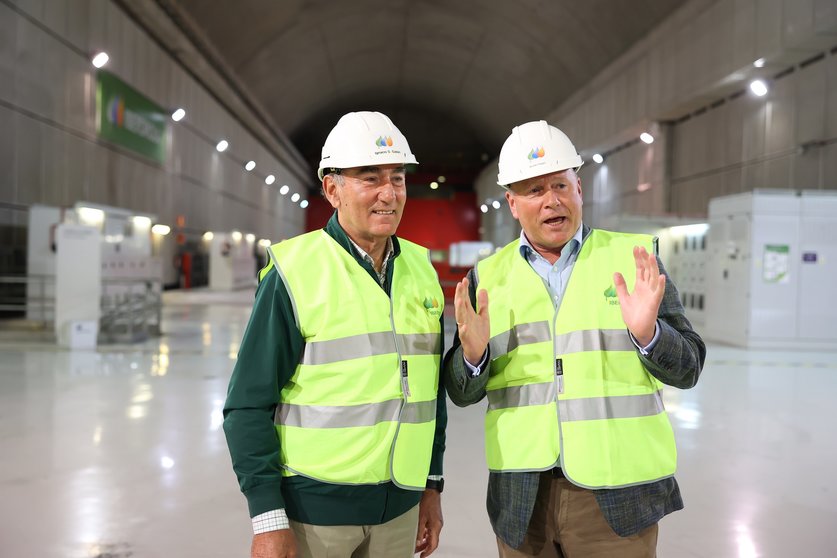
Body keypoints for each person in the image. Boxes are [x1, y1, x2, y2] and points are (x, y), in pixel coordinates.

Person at [444, 120, 705, 557]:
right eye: (533, 191)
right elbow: (460, 391)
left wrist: (649, 335)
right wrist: (473, 357)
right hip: (522, 498)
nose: (551, 201)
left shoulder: (635, 260)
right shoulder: (486, 278)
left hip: (616, 498)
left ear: (579, 188)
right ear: (511, 202)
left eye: (560, 186)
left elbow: (690, 368)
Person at [224, 111, 446, 558]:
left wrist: (430, 485)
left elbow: (428, 394)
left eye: (398, 178)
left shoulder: (421, 272)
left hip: (401, 507)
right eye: (370, 178)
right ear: (332, 189)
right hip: (314, 514)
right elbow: (247, 404)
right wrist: (268, 518)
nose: (389, 193)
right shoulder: (294, 272)